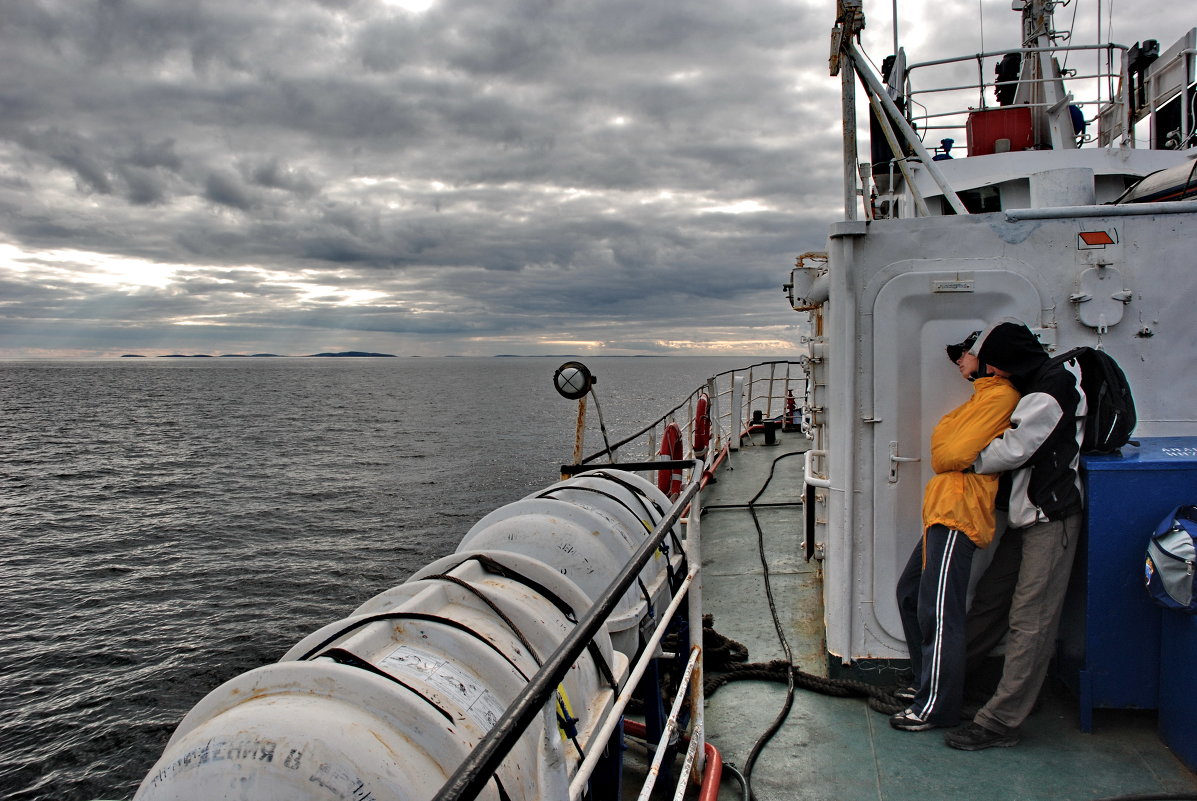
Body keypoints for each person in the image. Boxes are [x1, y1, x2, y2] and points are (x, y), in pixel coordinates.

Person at [944, 321, 1087, 751]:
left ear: (1007, 361)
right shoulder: (1034, 382)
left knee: (1031, 618)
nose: (995, 375)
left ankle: (1001, 721)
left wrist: (962, 459)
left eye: (996, 367)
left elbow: (1017, 448)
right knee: (990, 599)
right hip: (1026, 516)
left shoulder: (1050, 388)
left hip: (1050, 517)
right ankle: (954, 683)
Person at [890, 331, 1021, 731]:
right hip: (943, 510)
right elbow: (944, 447)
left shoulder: (1001, 397)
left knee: (940, 610)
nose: (959, 361)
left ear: (988, 360)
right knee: (910, 593)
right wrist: (946, 450)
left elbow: (950, 454)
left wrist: (948, 451)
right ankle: (924, 681)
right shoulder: (982, 396)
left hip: (961, 512)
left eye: (964, 354)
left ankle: (938, 706)